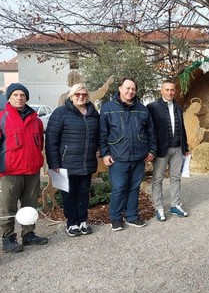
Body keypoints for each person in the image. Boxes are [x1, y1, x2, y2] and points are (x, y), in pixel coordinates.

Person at [99, 77, 156, 231]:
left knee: (134, 188)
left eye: (133, 89)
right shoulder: (108, 108)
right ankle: (116, 218)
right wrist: (105, 154)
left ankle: (132, 216)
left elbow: (151, 132)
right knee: (119, 188)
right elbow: (102, 134)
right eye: (127, 88)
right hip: (118, 158)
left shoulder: (142, 109)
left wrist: (152, 150)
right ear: (119, 88)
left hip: (139, 158)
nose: (130, 91)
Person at [45, 83, 99, 237]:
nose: (81, 97)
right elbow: (51, 141)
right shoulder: (60, 113)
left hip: (85, 163)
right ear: (71, 96)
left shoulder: (93, 114)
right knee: (68, 194)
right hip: (63, 164)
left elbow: (98, 136)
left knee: (83, 193)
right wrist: (53, 164)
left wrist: (99, 149)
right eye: (77, 94)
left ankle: (83, 221)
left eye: (84, 94)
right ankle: (71, 223)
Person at [0, 83, 48, 252]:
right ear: (9, 98)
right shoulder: (2, 117)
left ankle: (29, 234)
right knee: (8, 206)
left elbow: (39, 144)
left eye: (22, 95)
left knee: (30, 205)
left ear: (27, 98)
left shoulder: (36, 120)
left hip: (32, 171)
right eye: (15, 95)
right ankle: (8, 238)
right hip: (11, 172)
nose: (19, 98)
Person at [147, 80, 190, 221]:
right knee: (158, 179)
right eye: (167, 90)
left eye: (172, 90)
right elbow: (149, 130)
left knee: (175, 178)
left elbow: (182, 128)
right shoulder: (152, 107)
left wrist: (186, 148)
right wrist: (151, 149)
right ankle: (159, 207)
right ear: (161, 91)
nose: (170, 92)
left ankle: (175, 205)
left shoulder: (178, 107)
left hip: (177, 148)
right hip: (160, 149)